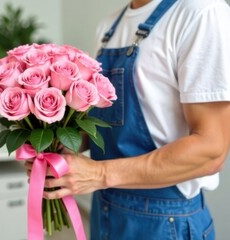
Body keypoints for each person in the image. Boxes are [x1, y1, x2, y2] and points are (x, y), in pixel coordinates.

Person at [25, 0, 230, 239]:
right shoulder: (108, 26)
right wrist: (57, 147)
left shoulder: (202, 13)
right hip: (104, 207)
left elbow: (211, 150)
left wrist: (99, 174)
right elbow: (108, 123)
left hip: (164, 222)